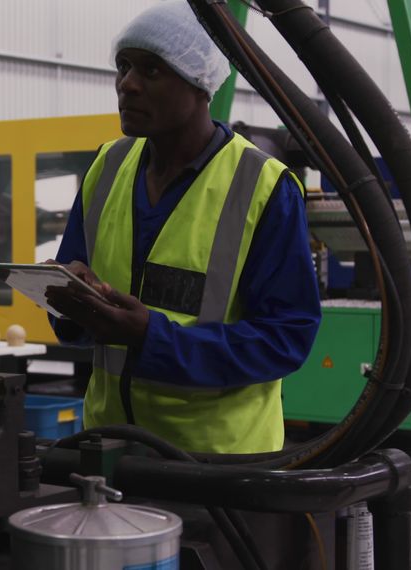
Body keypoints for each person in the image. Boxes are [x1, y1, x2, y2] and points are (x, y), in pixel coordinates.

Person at [44, 0, 321, 454]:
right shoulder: (107, 167)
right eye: (124, 66)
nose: (127, 85)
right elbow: (75, 291)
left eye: (151, 71)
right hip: (112, 451)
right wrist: (69, 300)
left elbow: (285, 338)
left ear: (200, 86)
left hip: (220, 465)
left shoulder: (264, 188)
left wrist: (151, 337)